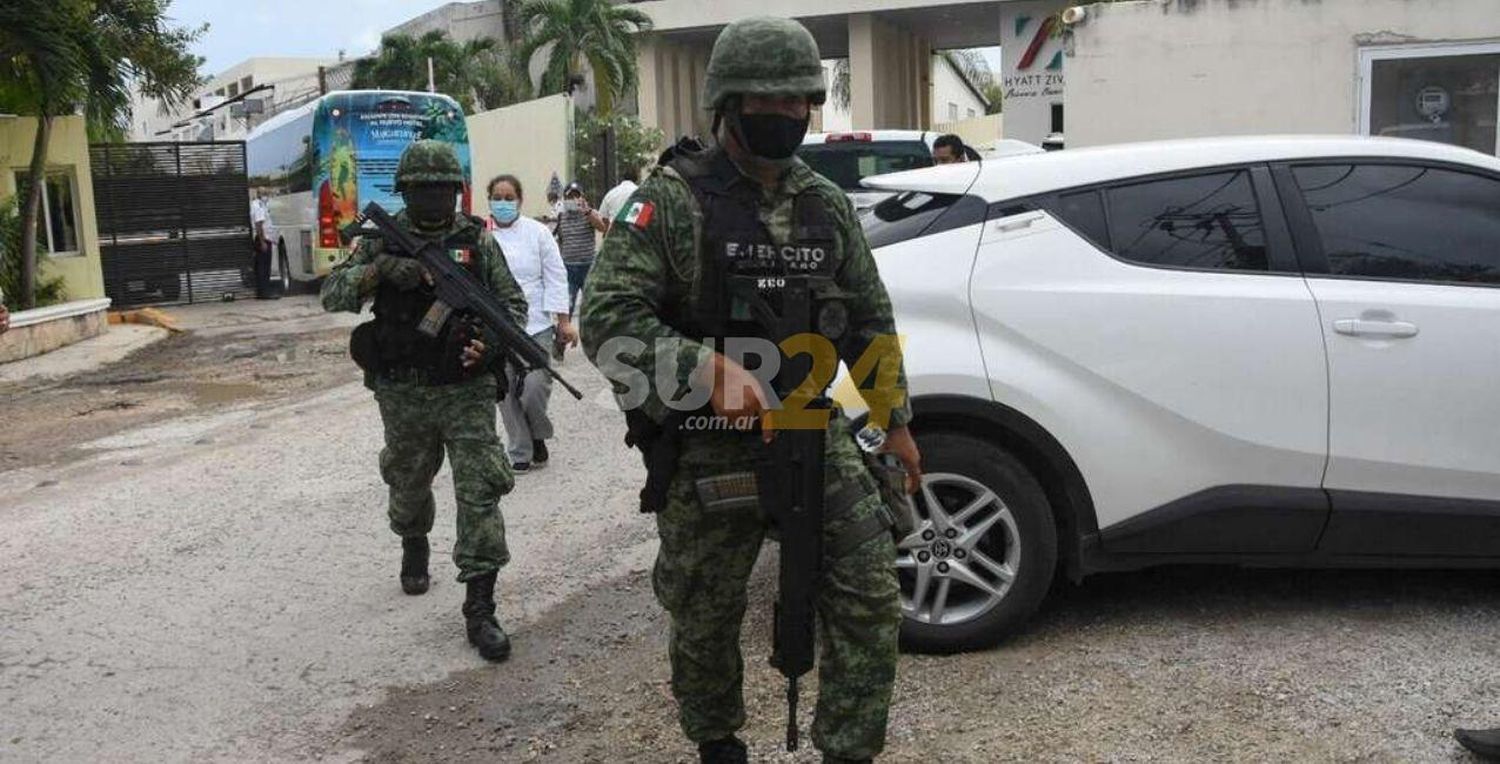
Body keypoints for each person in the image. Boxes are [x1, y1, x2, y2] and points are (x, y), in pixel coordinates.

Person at [580, 16, 922, 764]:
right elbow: (605, 321)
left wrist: (894, 419)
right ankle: (717, 743)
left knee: (868, 595)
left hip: (809, 426)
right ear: (727, 105)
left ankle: (849, 748)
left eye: (799, 102)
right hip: (709, 450)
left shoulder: (823, 203)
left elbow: (868, 316)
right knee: (705, 613)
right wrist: (705, 372)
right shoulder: (669, 201)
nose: (787, 116)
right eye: (768, 103)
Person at [319, 139, 527, 663]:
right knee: (408, 482)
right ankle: (414, 538)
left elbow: (513, 307)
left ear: (456, 191)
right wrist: (382, 271)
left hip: (465, 389)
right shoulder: (382, 240)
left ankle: (480, 607)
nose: (435, 198)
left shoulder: (476, 242)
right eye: (424, 189)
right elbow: (334, 294)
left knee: (480, 489)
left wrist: (492, 346)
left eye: (443, 189)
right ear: (406, 192)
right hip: (403, 389)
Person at [485, 173, 576, 473]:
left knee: (535, 388)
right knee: (506, 390)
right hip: (497, 327)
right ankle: (521, 451)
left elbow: (555, 275)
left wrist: (563, 321)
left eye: (508, 198)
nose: (502, 203)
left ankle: (537, 433)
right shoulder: (481, 236)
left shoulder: (538, 233)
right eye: (496, 197)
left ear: (520, 201)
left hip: (536, 325)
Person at [556, 182, 607, 313]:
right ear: (565, 199)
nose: (573, 199)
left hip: (588, 267)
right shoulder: (561, 216)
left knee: (592, 307)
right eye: (570, 196)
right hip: (568, 269)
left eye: (576, 196)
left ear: (582, 197)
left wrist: (588, 212)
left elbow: (602, 227)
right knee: (567, 306)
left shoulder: (590, 213)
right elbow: (560, 239)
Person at [249, 188, 276, 298]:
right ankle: (264, 292)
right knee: (264, 268)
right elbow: (259, 225)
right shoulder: (259, 206)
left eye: (267, 193)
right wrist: (263, 241)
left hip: (262, 239)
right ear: (259, 194)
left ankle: (261, 292)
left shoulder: (257, 204)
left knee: (260, 266)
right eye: (264, 193)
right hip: (263, 239)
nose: (266, 195)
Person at [597, 166, 641, 232]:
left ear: (623, 177)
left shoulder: (610, 193)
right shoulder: (640, 193)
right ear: (636, 178)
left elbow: (603, 218)